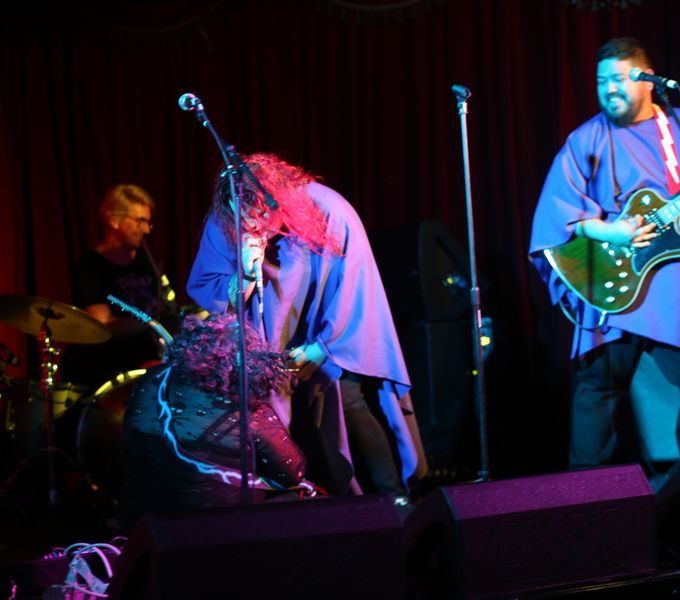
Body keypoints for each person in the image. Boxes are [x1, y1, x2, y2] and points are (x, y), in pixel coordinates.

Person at [529, 38, 680, 474]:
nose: (609, 89)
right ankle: (588, 499)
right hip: (618, 285)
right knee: (596, 392)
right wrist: (611, 230)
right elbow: (559, 216)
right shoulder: (585, 139)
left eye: (619, 79)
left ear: (648, 81)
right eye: (602, 81)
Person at [187, 152, 426, 497]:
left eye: (259, 217)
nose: (253, 226)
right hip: (265, 349)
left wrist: (323, 348)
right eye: (244, 220)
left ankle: (394, 499)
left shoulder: (328, 209)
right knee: (264, 419)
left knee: (348, 402)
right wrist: (245, 273)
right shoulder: (226, 218)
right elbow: (215, 292)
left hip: (329, 338)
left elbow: (355, 289)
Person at [118, 312, 316, 531]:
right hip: (217, 527)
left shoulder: (152, 378)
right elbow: (292, 473)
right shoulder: (247, 407)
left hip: (146, 522)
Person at [61, 184, 174, 389]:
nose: (146, 230)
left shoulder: (147, 260)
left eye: (148, 223)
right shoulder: (92, 266)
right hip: (106, 369)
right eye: (140, 221)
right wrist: (149, 321)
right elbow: (100, 325)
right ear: (113, 220)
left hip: (145, 363)